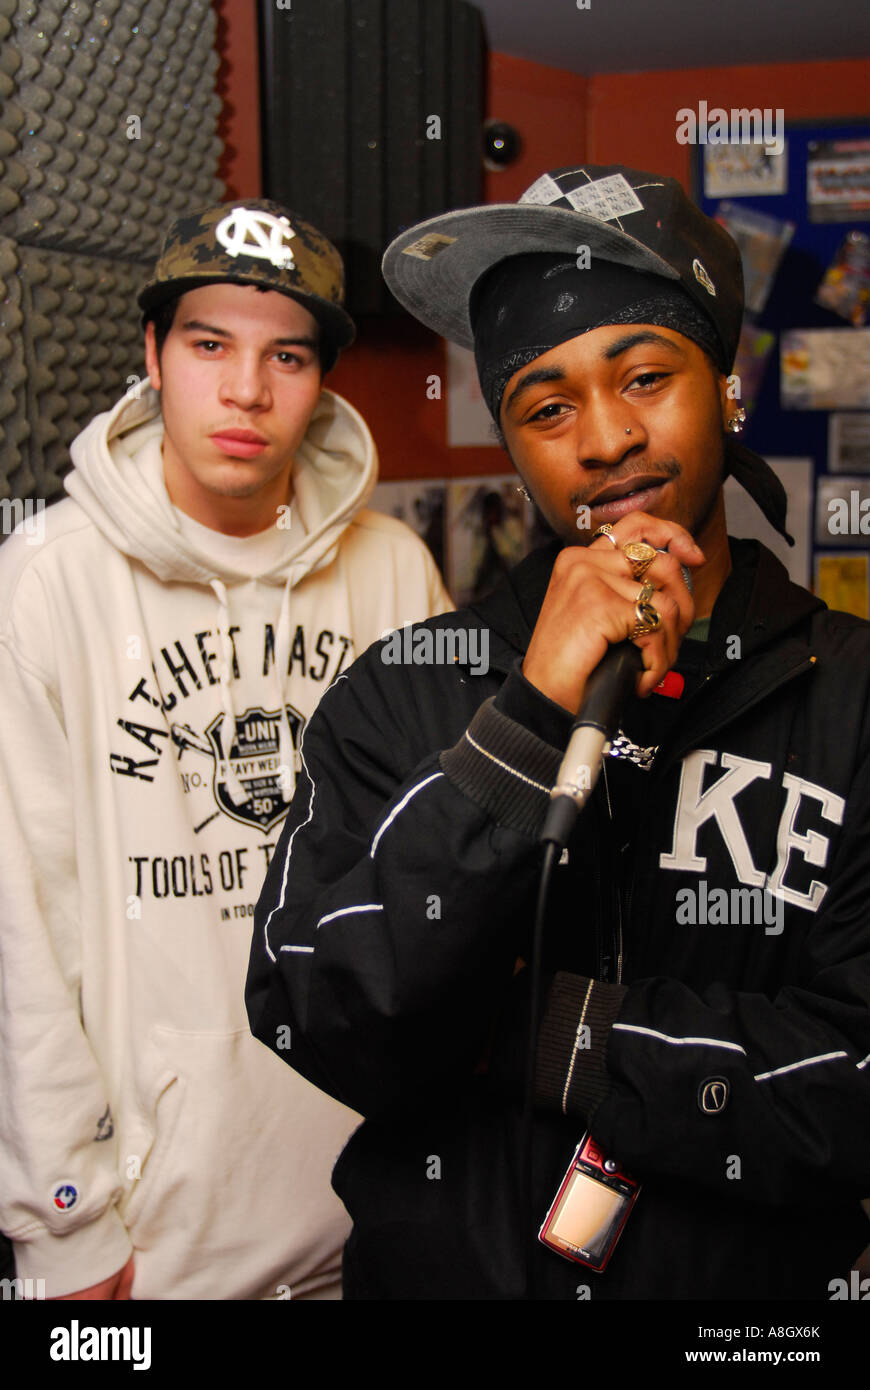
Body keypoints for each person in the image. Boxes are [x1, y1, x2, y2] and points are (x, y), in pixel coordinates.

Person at [246, 166, 870, 1301]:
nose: (606, 438)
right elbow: (320, 1013)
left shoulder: (856, 696)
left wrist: (568, 1040)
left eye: (645, 375)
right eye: (546, 405)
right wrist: (527, 722)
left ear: (724, 391)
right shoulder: (401, 694)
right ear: (516, 442)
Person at [0, 197, 451, 1300]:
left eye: (285, 356)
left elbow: (446, 884)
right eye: (210, 345)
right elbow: (19, 921)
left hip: (382, 1203)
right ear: (153, 355)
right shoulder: (48, 579)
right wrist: (62, 1222)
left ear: (321, 381)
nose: (246, 391)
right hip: (162, 1243)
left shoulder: (392, 569)